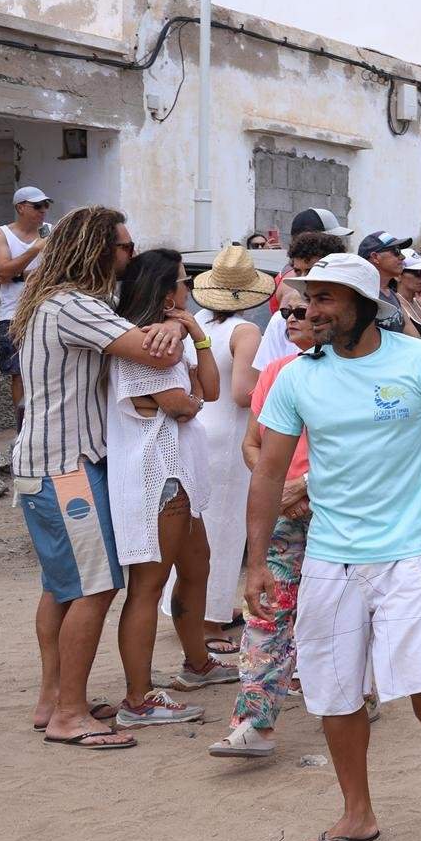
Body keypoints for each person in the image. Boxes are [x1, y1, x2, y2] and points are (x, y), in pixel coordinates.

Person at [245, 252, 421, 841]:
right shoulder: (298, 376)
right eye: (308, 299)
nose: (311, 310)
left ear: (361, 305)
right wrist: (253, 563)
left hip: (408, 549)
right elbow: (270, 470)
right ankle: (357, 813)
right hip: (330, 555)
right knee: (333, 689)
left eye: (326, 299)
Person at [12, 205, 186, 749]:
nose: (130, 256)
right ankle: (68, 715)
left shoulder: (50, 301)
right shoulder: (75, 306)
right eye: (124, 247)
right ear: (96, 248)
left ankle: (54, 700)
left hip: (42, 464)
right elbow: (154, 357)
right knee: (95, 586)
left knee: (61, 588)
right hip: (67, 469)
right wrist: (179, 326)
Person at [108, 248, 227, 728]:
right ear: (163, 292)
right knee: (148, 585)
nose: (189, 288)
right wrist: (191, 393)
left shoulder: (166, 341)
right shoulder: (145, 347)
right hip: (159, 477)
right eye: (182, 281)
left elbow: (210, 392)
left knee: (197, 566)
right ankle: (138, 699)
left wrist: (195, 333)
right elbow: (185, 405)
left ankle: (197, 663)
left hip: (178, 476)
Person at [212, 281, 320, 758]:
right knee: (269, 612)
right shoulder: (276, 372)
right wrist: (283, 490)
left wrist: (307, 486)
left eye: (302, 311)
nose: (291, 319)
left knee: (341, 609)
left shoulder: (351, 376)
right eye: (286, 311)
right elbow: (252, 445)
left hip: (337, 510)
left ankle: (359, 690)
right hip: (283, 512)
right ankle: (253, 723)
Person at [190, 245, 273, 648]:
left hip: (198, 425)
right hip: (229, 435)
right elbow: (243, 393)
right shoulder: (246, 331)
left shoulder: (197, 323)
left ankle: (196, 608)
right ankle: (210, 620)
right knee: (224, 529)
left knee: (197, 526)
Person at [0, 185, 51, 425]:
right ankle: (22, 428)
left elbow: (56, 273)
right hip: (13, 313)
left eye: (46, 205)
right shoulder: (2, 233)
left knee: (47, 371)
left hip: (47, 309)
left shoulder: (51, 232)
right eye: (37, 206)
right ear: (21, 207)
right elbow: (3, 268)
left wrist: (17, 274)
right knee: (18, 374)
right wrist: (35, 250)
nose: (43, 210)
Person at [255, 231, 348, 366]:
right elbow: (264, 378)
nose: (303, 278)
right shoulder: (280, 320)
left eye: (310, 271)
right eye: (298, 271)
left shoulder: (347, 316)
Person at [356, 231, 413, 332]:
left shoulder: (392, 294)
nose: (402, 257)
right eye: (396, 251)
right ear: (375, 257)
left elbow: (411, 334)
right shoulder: (363, 295)